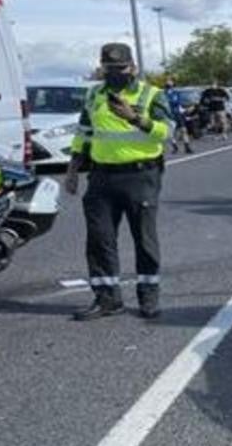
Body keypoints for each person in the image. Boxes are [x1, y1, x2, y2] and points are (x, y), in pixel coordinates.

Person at [66, 43, 172, 320]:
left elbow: (168, 132)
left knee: (144, 239)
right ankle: (107, 299)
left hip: (141, 175)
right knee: (100, 240)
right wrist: (73, 168)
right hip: (102, 177)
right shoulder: (94, 95)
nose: (114, 73)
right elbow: (84, 132)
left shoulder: (151, 94)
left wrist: (136, 118)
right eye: (109, 68)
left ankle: (148, 296)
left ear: (133, 67)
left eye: (120, 68)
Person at [163, 80, 193, 154]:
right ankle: (174, 146)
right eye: (168, 85)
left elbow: (179, 103)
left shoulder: (176, 93)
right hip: (169, 115)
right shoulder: (163, 94)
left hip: (178, 114)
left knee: (183, 130)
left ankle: (187, 147)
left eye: (171, 85)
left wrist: (187, 108)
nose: (170, 87)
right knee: (171, 133)